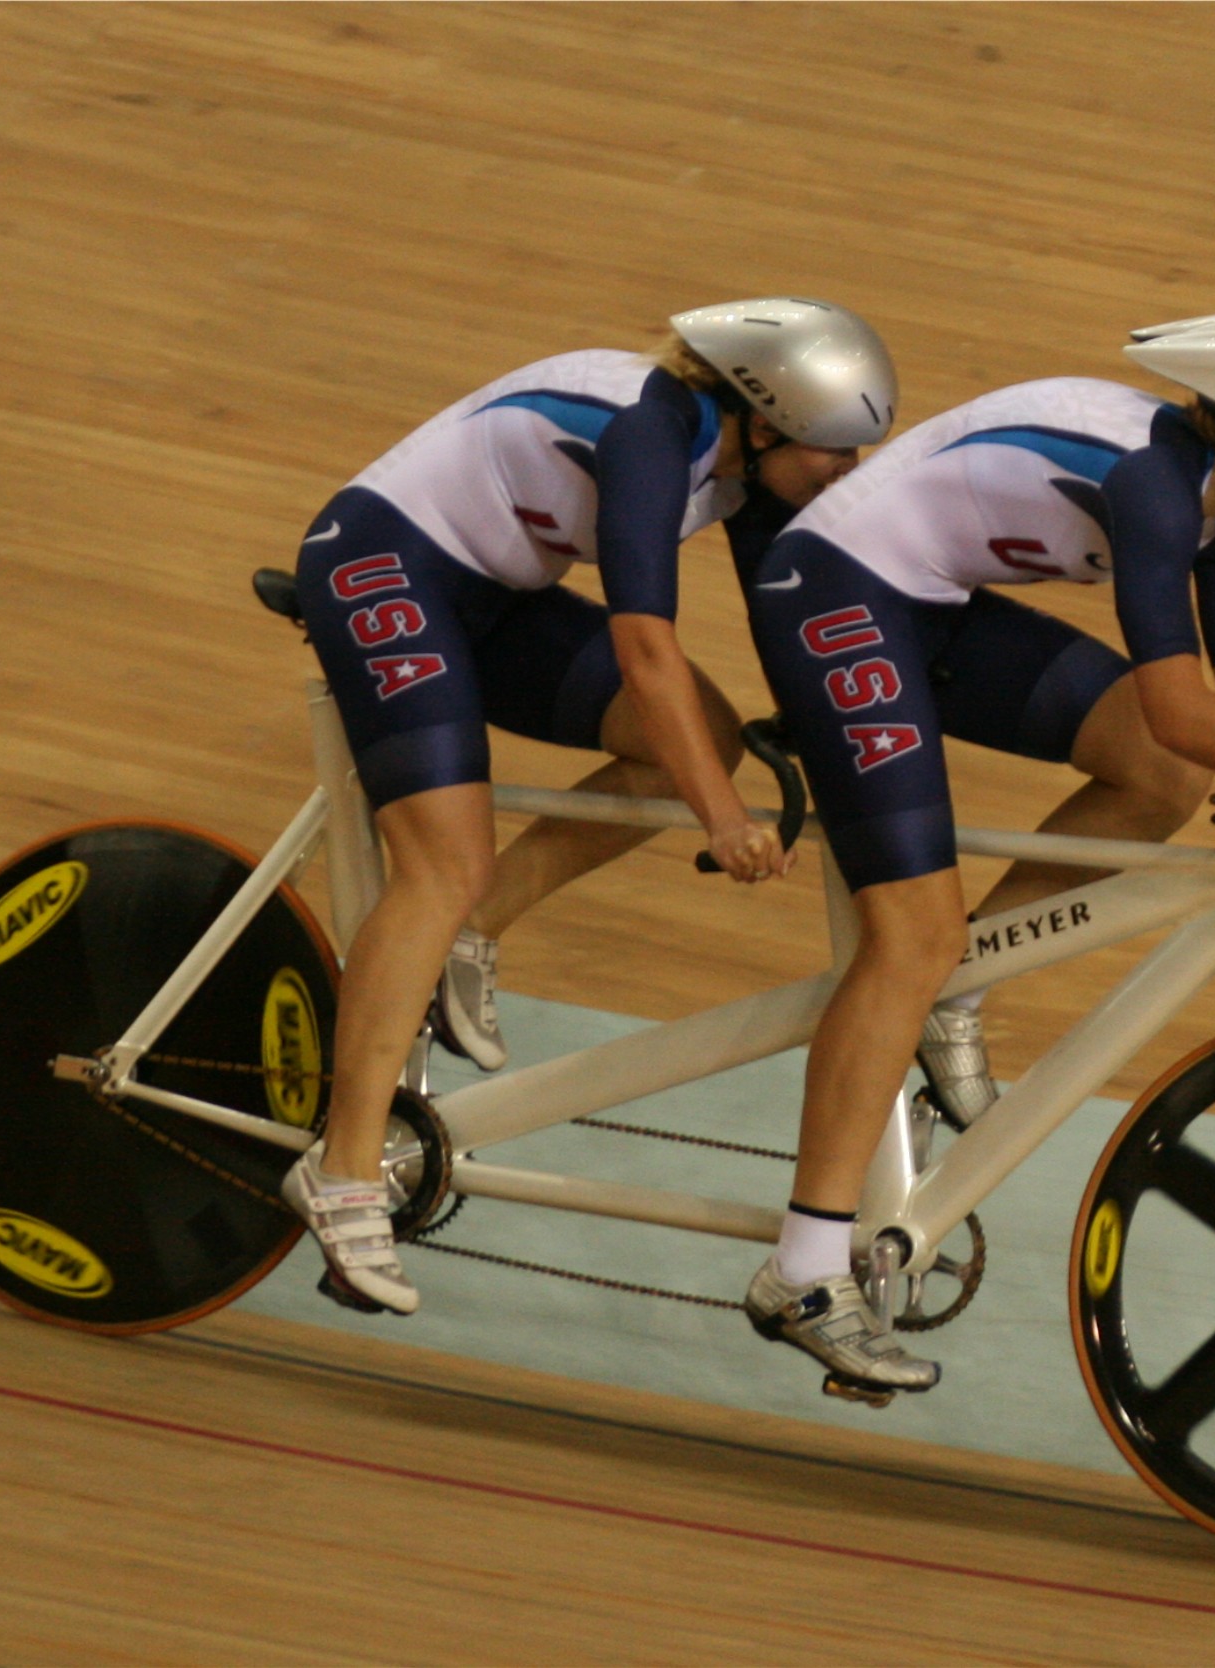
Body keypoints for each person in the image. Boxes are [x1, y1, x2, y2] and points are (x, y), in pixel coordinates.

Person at [738, 310, 1215, 1395]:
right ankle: (801, 1271)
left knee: (1161, 776)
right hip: (837, 598)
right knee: (911, 934)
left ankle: (951, 991)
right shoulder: (1150, 486)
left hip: (930, 608)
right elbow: (1181, 705)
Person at [283, 298, 898, 1316]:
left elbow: (785, 619)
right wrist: (722, 822)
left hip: (490, 592)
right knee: (442, 860)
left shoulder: (748, 468)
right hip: (381, 563)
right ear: (763, 418)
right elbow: (643, 647)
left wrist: (836, 758)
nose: (851, 470)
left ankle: (471, 932)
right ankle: (342, 1172)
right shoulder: (651, 436)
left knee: (689, 740)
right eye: (838, 448)